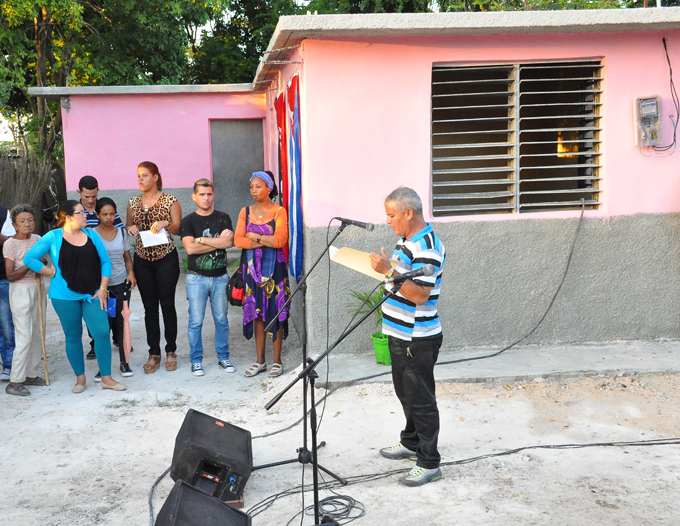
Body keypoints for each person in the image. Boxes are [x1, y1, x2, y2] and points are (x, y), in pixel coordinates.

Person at [369, 187, 446, 487]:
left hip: (417, 337)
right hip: (399, 332)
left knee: (421, 400)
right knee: (406, 394)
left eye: (391, 215)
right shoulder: (407, 240)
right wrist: (390, 269)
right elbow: (405, 276)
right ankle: (411, 442)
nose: (388, 221)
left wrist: (388, 270)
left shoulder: (426, 245)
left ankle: (429, 462)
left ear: (408, 213)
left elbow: (420, 295)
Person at [24, 200, 126, 393]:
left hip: (93, 294)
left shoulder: (91, 234)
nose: (85, 215)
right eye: (80, 212)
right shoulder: (52, 237)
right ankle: (80, 379)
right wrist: (51, 273)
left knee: (102, 332)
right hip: (64, 297)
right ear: (68, 217)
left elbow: (105, 262)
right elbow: (29, 259)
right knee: (73, 336)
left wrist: (103, 288)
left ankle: (106, 378)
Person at [126, 161, 182, 374]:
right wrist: (130, 227)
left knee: (167, 305)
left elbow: (179, 228)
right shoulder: (133, 202)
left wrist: (166, 223)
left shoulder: (170, 201)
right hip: (143, 260)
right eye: (138, 175)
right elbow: (131, 225)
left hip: (166, 259)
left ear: (155, 177)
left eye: (145, 175)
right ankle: (154, 352)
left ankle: (171, 350)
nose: (140, 179)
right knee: (150, 308)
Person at [234, 171, 290, 378]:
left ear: (269, 188)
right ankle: (260, 361)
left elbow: (280, 241)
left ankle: (277, 361)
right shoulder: (245, 211)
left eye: (258, 186)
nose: (254, 191)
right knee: (256, 313)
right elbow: (238, 241)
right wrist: (264, 239)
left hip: (275, 269)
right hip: (251, 270)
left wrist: (254, 236)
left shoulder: (279, 211)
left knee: (275, 311)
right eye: (252, 187)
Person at [180, 179, 235, 377]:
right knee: (196, 321)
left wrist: (202, 239)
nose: (206, 198)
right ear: (194, 196)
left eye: (209, 194)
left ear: (213, 195)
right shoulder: (187, 221)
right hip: (196, 279)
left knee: (221, 319)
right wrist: (218, 242)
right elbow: (190, 248)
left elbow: (229, 242)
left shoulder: (223, 217)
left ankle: (223, 357)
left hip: (220, 277)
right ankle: (196, 360)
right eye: (202, 194)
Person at [77, 175, 123, 360]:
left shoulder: (107, 210)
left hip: (110, 271)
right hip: (87, 271)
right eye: (87, 196)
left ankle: (118, 337)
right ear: (79, 192)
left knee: (114, 306)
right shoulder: (76, 212)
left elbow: (119, 233)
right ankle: (95, 342)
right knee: (94, 308)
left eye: (93, 196)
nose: (90, 200)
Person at [3, 205, 46, 396]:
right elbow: (11, 275)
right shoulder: (9, 244)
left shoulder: (37, 239)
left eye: (30, 220)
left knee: (38, 332)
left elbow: (43, 262)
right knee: (24, 336)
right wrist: (30, 264)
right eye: (22, 221)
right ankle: (14, 381)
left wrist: (40, 265)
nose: (27, 224)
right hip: (20, 290)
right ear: (14, 225)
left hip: (37, 288)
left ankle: (31, 374)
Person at [95, 198, 136, 377]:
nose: (109, 217)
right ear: (97, 215)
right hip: (100, 287)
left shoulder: (121, 233)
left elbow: (127, 257)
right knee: (102, 328)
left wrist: (131, 273)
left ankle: (124, 362)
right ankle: (102, 368)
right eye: (105, 214)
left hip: (120, 284)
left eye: (112, 214)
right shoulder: (91, 235)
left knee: (121, 324)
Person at [0, 203, 16, 381]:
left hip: (2, 278)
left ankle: (9, 365)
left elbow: (12, 239)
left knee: (6, 323)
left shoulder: (3, 212)